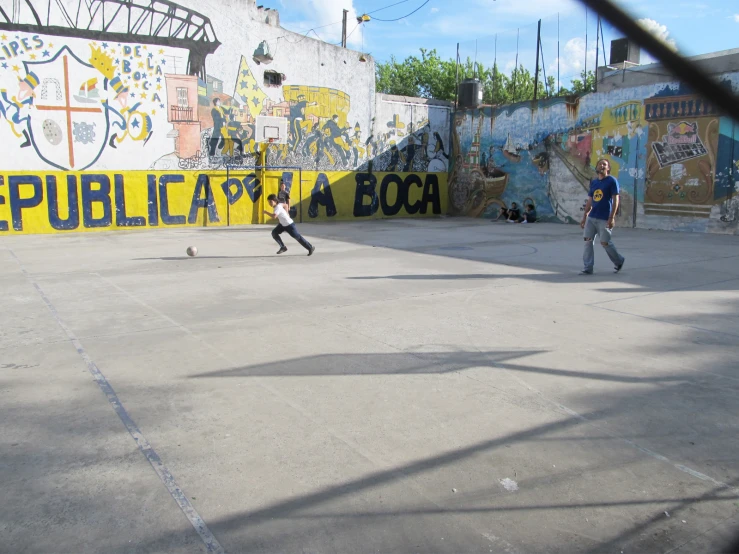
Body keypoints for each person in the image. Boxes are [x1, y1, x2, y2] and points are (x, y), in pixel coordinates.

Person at [580, 158, 625, 274]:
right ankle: (588, 268)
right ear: (597, 167)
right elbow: (590, 200)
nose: (602, 166)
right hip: (592, 217)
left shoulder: (612, 181)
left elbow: (616, 200)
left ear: (608, 168)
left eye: (604, 164)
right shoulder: (594, 182)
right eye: (600, 164)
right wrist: (585, 216)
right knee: (587, 241)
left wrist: (612, 217)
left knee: (605, 242)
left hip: (604, 218)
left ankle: (619, 261)